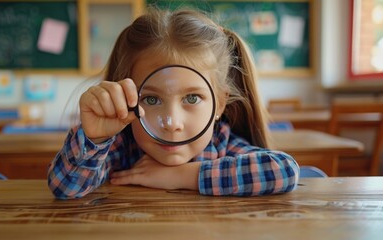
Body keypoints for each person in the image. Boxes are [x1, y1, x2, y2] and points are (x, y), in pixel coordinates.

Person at [47, 8, 299, 199]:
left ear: (220, 104)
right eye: (151, 99)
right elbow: (65, 187)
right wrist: (96, 139)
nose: (171, 123)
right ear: (127, 98)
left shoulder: (222, 143)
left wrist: (178, 176)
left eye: (192, 98)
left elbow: (283, 170)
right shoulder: (123, 146)